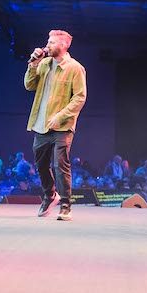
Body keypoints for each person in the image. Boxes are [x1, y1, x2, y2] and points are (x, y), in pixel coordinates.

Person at [25, 30, 87, 221]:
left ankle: (66, 205)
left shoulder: (75, 68)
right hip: (41, 124)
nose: (47, 45)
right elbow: (29, 85)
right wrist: (32, 64)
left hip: (62, 125)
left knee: (60, 164)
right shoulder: (43, 64)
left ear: (63, 45)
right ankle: (50, 195)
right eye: (48, 41)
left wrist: (61, 116)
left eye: (52, 42)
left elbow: (79, 97)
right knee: (41, 165)